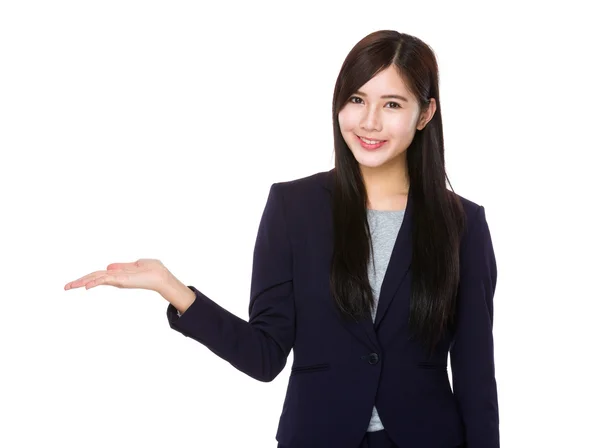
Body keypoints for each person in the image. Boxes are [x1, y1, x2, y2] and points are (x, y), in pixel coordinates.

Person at [64, 30, 499, 448]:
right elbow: (265, 355)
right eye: (356, 99)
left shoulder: (463, 223)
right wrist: (173, 289)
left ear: (424, 114)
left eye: (391, 103)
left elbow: (475, 374)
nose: (369, 121)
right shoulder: (294, 207)